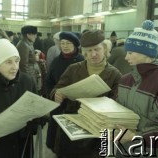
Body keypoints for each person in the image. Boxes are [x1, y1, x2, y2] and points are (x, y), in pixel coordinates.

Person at [47, 30, 122, 158]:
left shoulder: (115, 74)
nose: (93, 54)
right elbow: (58, 87)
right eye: (89, 51)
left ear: (104, 49)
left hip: (98, 128)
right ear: (84, 52)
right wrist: (57, 94)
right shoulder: (73, 69)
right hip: (72, 126)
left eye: (97, 49)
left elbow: (118, 101)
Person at [115, 20, 158, 158]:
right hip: (120, 149)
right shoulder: (125, 80)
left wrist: (135, 137)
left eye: (130, 52)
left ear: (146, 53)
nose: (126, 56)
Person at [45, 31, 85, 97]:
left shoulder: (82, 60)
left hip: (78, 98)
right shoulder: (56, 61)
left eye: (68, 43)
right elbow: (49, 81)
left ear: (74, 45)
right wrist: (53, 95)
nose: (65, 46)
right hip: (59, 98)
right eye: (62, 43)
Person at [16, 25, 43, 95]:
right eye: (34, 35)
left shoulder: (28, 43)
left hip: (32, 74)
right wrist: (28, 80)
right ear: (28, 34)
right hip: (30, 76)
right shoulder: (23, 45)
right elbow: (23, 65)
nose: (36, 37)